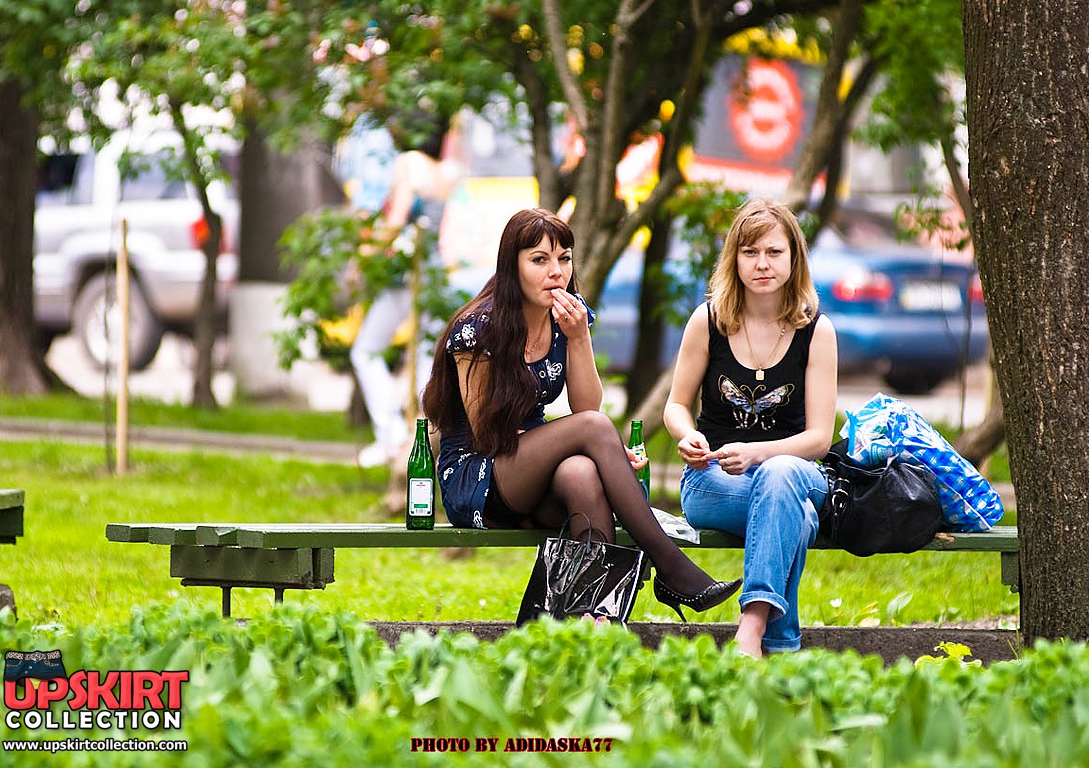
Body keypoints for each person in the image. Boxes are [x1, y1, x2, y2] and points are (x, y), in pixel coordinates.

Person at [422, 208, 741, 618]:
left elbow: (586, 405)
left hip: (530, 471)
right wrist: (588, 446)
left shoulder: (568, 319)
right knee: (593, 431)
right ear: (512, 266)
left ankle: (586, 623)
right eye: (539, 260)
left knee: (583, 473)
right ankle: (671, 566)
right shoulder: (477, 329)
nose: (556, 272)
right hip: (478, 474)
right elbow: (487, 432)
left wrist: (578, 337)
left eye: (565, 258)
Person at [663, 198, 839, 657]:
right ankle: (777, 643)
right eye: (750, 252)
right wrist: (687, 435)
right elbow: (676, 406)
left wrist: (758, 453)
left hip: (797, 472)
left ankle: (752, 628)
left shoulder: (817, 331)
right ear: (734, 259)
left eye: (774, 252)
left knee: (780, 475)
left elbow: (819, 439)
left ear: (794, 258)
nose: (762, 264)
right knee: (798, 518)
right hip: (713, 481)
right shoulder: (708, 322)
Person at [349, 113, 462, 466]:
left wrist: (364, 255)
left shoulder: (410, 162)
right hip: (434, 274)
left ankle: (393, 437)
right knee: (427, 359)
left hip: (406, 274)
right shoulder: (446, 173)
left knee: (365, 351)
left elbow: (396, 221)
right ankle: (426, 441)